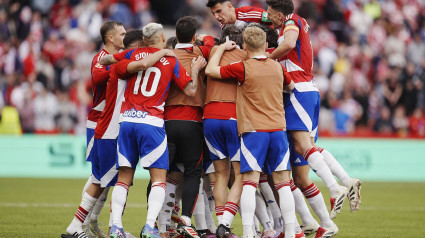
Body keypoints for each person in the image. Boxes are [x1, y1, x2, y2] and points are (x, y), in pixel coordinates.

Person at [266, 0, 358, 236]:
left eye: (269, 12)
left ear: (278, 13)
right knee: (301, 163)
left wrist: (267, 60)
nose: (267, 16)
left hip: (298, 89)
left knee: (301, 145)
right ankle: (339, 193)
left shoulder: (291, 21)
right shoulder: (289, 24)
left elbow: (288, 43)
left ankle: (335, 188)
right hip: (304, 90)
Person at [106, 22, 207, 238]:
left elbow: (110, 62)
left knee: (124, 177)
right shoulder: (170, 58)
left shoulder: (132, 54)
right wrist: (196, 69)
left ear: (143, 40)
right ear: (162, 38)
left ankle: (116, 227)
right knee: (160, 178)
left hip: (127, 121)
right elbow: (190, 91)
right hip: (152, 122)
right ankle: (150, 227)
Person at [205, 25, 297, 238]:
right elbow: (291, 88)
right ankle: (291, 233)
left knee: (249, 181)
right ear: (266, 45)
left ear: (245, 45)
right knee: (283, 183)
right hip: (278, 129)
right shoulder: (277, 67)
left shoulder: (242, 67)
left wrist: (220, 49)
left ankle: (248, 233)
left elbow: (211, 71)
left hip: (253, 131)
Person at [61, 20, 126, 238]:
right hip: (99, 122)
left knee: (106, 178)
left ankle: (91, 222)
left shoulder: (121, 55)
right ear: (111, 38)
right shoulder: (100, 58)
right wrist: (119, 63)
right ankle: (81, 224)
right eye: (122, 33)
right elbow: (98, 77)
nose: (125, 36)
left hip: (113, 122)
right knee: (97, 177)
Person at [159, 16, 214, 238]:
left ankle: (160, 226)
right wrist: (202, 38)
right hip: (193, 121)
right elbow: (212, 43)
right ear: (193, 36)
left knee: (162, 175)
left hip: (166, 121)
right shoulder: (200, 53)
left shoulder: (166, 57)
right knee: (193, 173)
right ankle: (186, 220)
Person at [203, 24, 247, 238]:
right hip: (233, 117)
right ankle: (226, 224)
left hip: (209, 116)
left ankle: (221, 223)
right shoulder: (246, 56)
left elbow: (205, 40)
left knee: (220, 174)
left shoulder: (213, 52)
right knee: (241, 174)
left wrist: (219, 47)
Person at [206, 0, 272, 29]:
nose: (216, 17)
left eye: (219, 11)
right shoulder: (223, 25)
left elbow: (275, 20)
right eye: (213, 13)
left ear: (229, 6)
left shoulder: (249, 13)